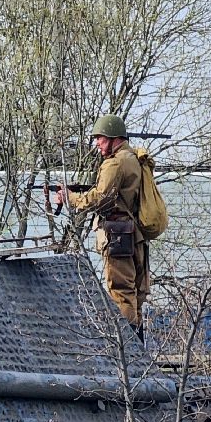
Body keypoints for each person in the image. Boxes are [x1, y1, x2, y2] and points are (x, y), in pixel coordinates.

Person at [57, 114, 149, 331]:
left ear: (113, 137)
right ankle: (137, 347)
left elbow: (100, 199)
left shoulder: (115, 163)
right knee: (134, 293)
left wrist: (70, 198)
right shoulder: (133, 158)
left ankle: (128, 351)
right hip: (134, 235)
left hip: (118, 236)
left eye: (100, 138)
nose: (97, 143)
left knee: (121, 293)